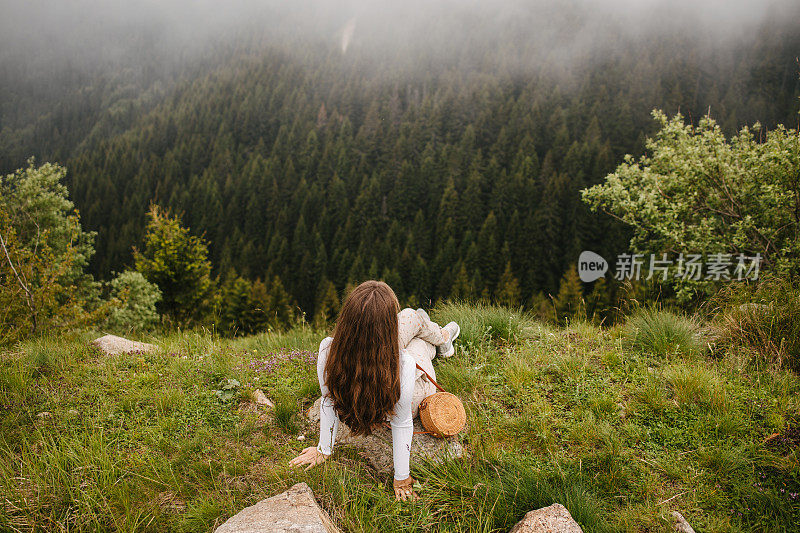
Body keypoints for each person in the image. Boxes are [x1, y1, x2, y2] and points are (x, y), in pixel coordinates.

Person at [288, 280, 460, 501]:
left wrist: (324, 449)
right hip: (413, 394)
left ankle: (436, 332)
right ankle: (442, 339)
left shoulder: (328, 349)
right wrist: (401, 477)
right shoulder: (404, 362)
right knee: (420, 343)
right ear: (389, 325)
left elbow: (328, 399)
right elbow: (401, 421)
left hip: (385, 359)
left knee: (411, 316)